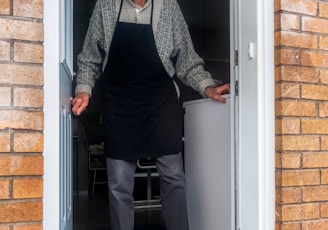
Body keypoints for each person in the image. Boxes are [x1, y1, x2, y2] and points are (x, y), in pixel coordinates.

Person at [72, 0, 230, 229]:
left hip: (160, 104)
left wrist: (207, 86)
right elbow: (89, 58)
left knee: (174, 179)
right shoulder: (106, 6)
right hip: (120, 106)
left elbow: (187, 59)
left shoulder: (169, 6)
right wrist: (83, 90)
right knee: (119, 187)